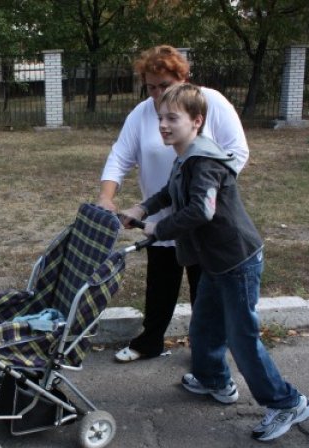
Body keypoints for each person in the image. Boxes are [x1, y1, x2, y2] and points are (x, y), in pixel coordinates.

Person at [120, 83, 309, 442]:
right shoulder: (184, 154)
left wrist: (158, 226)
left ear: (197, 121)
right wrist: (142, 207)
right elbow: (171, 190)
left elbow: (200, 210)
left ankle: (287, 402)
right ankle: (212, 379)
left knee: (242, 339)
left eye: (172, 118)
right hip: (215, 260)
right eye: (160, 117)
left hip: (236, 261)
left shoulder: (204, 159)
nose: (162, 125)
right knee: (205, 326)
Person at [98, 45, 249, 363]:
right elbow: (121, 156)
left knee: (203, 288)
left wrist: (208, 190)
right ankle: (150, 341)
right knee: (160, 283)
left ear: (183, 79)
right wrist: (108, 197)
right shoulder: (141, 113)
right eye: (150, 86)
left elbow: (237, 151)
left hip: (201, 218)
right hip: (161, 218)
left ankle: (207, 353)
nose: (156, 94)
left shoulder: (211, 103)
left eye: (163, 86)